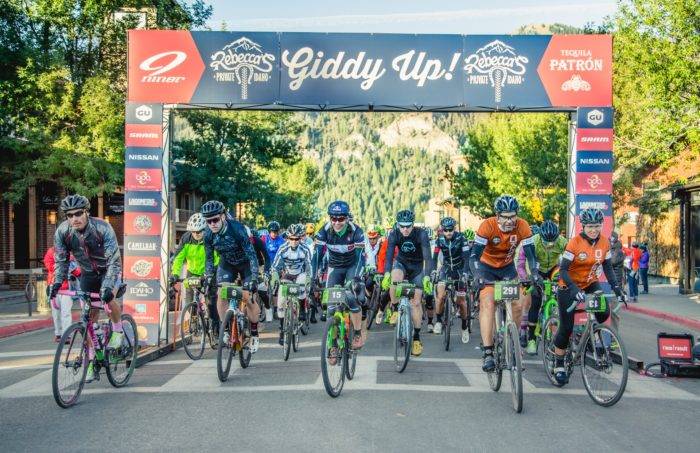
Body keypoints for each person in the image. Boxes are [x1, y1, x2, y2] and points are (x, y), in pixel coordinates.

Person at [50, 194, 122, 382]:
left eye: (79, 213)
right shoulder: (62, 232)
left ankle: (118, 330)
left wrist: (107, 286)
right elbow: (61, 261)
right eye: (70, 215)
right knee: (88, 319)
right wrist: (56, 283)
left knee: (108, 297)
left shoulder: (103, 228)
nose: (75, 218)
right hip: (88, 274)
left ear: (86, 212)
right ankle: (92, 361)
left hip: (109, 269)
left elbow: (114, 261)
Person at [552, 208, 626, 385]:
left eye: (597, 226)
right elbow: (563, 270)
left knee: (603, 313)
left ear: (602, 225)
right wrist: (572, 288)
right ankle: (559, 364)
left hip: (590, 282)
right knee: (567, 327)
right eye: (590, 226)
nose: (594, 230)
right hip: (568, 284)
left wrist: (617, 288)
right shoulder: (574, 243)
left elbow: (607, 267)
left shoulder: (605, 242)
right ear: (583, 226)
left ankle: (594, 342)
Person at [470, 195, 539, 372]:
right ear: (497, 215)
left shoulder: (522, 226)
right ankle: (488, 352)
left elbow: (531, 256)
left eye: (512, 216)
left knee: (518, 303)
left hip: (507, 269)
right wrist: (477, 275)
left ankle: (512, 342)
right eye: (505, 216)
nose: (509, 220)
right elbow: (473, 257)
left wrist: (535, 273)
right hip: (486, 268)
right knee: (487, 302)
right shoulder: (488, 226)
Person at [201, 201, 261, 353]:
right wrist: (208, 276)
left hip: (245, 263)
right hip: (227, 263)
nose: (212, 224)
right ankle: (226, 329)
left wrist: (254, 277)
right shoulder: (207, 234)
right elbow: (208, 258)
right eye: (208, 221)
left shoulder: (237, 229)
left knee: (248, 296)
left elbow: (252, 255)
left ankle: (254, 332)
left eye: (215, 219)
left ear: (223, 217)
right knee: (221, 293)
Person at [314, 200, 366, 354]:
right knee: (330, 308)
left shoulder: (356, 231)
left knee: (352, 296)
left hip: (352, 266)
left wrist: (355, 280)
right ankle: (333, 345)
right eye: (333, 218)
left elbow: (360, 258)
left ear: (347, 218)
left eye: (341, 219)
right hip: (334, 267)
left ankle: (357, 333)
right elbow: (316, 255)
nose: (337, 222)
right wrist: (313, 277)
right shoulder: (323, 231)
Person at [381, 209, 433, 356]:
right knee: (394, 278)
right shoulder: (394, 234)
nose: (405, 229)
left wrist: (427, 276)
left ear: (413, 224)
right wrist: (386, 274)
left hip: (417, 268)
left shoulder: (421, 234)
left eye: (408, 226)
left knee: (416, 303)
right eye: (402, 226)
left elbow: (428, 258)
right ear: (397, 225)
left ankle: (416, 338)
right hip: (401, 264)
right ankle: (396, 308)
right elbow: (390, 254)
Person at [515, 219, 567, 355]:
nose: (550, 244)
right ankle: (531, 339)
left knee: (561, 286)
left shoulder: (562, 241)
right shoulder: (533, 241)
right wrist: (525, 278)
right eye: (546, 241)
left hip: (553, 269)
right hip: (536, 271)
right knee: (535, 302)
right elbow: (520, 263)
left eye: (553, 241)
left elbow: (570, 260)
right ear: (541, 237)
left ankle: (555, 320)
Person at [170, 213, 220, 332]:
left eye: (199, 232)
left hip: (209, 272)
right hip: (192, 272)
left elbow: (217, 258)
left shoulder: (211, 238)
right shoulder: (186, 238)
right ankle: (191, 323)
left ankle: (216, 327)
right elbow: (178, 258)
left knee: (211, 301)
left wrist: (210, 273)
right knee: (188, 299)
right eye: (193, 231)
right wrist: (175, 274)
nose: (196, 234)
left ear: (205, 230)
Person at [270, 224, 313, 345]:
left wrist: (309, 278)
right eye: (291, 239)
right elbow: (275, 265)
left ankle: (302, 309)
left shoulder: (305, 249)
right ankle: (282, 330)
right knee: (281, 301)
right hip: (288, 275)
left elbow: (309, 265)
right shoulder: (283, 248)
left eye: (297, 239)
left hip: (300, 274)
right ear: (287, 238)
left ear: (300, 238)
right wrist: (275, 276)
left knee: (302, 284)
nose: (294, 241)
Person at [432, 216, 472, 344]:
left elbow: (466, 257)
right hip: (446, 269)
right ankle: (438, 321)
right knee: (440, 296)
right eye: (445, 230)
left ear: (454, 229)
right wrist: (433, 270)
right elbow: (434, 258)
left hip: (460, 269)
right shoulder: (439, 240)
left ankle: (465, 327)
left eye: (451, 230)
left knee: (461, 302)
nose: (448, 232)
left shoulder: (462, 238)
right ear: (442, 230)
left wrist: (465, 272)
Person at [44, 246, 81, 342]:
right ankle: (58, 333)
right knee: (56, 313)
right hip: (54, 287)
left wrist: (77, 272)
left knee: (66, 313)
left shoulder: (71, 252)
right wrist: (64, 266)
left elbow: (76, 269)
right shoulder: (51, 251)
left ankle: (66, 335)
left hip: (67, 288)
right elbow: (49, 266)